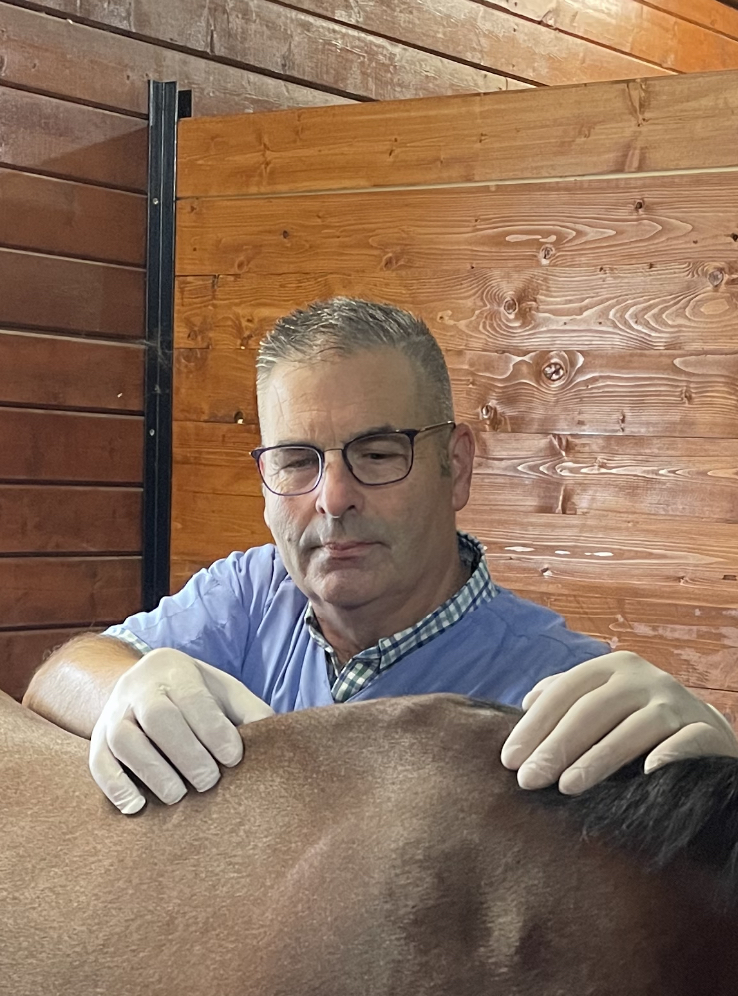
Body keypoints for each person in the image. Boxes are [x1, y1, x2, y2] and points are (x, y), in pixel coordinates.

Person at [24, 298, 738, 815]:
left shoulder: (563, 696)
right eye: (297, 461)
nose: (333, 497)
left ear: (453, 468)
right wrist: (122, 686)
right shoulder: (249, 596)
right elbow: (57, 677)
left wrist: (709, 780)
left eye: (377, 452)